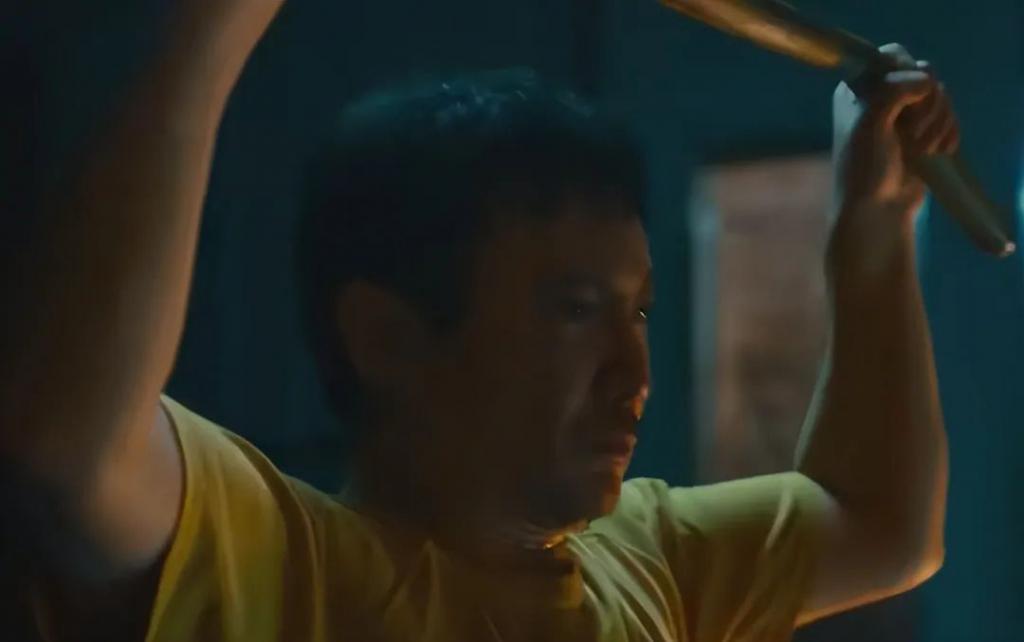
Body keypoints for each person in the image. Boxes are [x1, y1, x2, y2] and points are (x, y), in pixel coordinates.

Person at [0, 2, 956, 641]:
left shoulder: (650, 558)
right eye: (576, 312)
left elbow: (882, 528)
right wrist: (206, 24)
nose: (634, 375)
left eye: (639, 311)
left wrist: (873, 226)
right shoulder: (287, 565)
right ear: (387, 338)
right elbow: (70, 445)